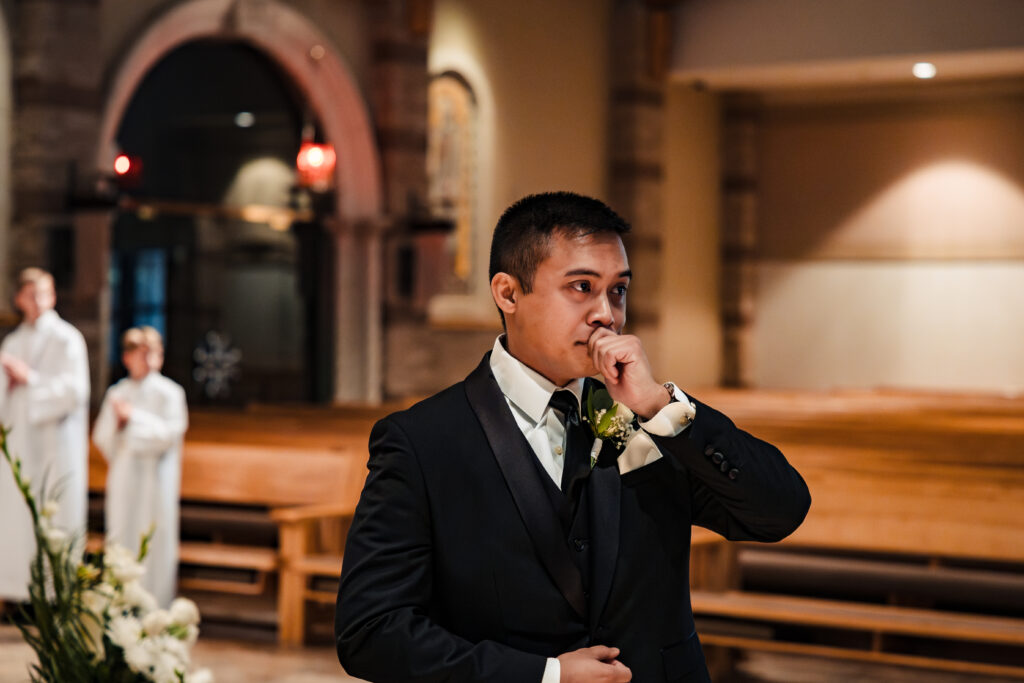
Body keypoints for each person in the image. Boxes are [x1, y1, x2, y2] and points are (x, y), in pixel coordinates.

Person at [335, 192, 811, 682]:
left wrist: (659, 406)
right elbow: (372, 630)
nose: (606, 313)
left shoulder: (654, 421)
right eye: (582, 287)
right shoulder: (422, 442)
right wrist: (544, 676)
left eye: (618, 291)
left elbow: (780, 512)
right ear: (508, 293)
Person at [0, 268, 90, 602]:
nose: (38, 300)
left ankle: (57, 597)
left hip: (55, 445)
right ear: (18, 298)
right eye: (30, 294)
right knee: (15, 515)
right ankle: (14, 593)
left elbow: (75, 392)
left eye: (44, 293)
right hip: (20, 442)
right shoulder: (13, 341)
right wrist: (9, 385)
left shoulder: (67, 338)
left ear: (53, 296)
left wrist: (31, 380)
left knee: (55, 512)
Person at [92, 326, 187, 607]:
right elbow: (102, 438)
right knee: (122, 537)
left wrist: (133, 419)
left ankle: (155, 607)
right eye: (140, 353)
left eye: (153, 353)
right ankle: (119, 606)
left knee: (155, 541)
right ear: (126, 358)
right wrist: (120, 425)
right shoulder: (117, 393)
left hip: (156, 482)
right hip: (124, 478)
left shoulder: (170, 393)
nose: (147, 359)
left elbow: (168, 435)